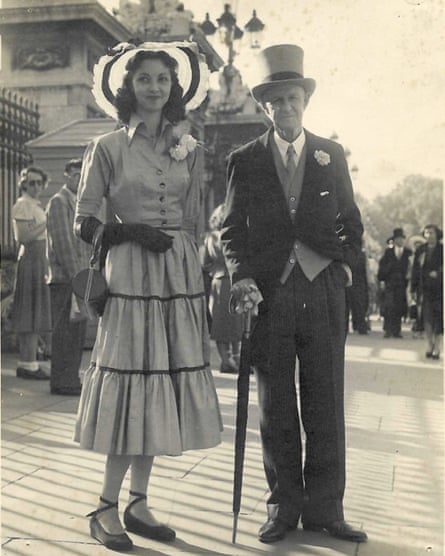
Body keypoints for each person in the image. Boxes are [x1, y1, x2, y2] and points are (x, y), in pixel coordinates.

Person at [73, 41, 222, 551]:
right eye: (144, 79)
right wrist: (131, 232)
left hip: (177, 277)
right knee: (134, 380)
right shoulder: (108, 147)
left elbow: (199, 221)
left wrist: (201, 282)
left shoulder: (191, 148)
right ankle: (105, 506)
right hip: (131, 276)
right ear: (127, 88)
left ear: (174, 87)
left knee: (162, 381)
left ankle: (137, 501)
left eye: (162, 78)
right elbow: (84, 222)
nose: (154, 87)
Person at [222, 44, 367, 544]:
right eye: (276, 101)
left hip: (323, 290)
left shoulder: (331, 154)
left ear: (305, 102)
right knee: (275, 402)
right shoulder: (246, 159)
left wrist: (344, 267)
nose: (286, 109)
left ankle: (326, 509)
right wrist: (241, 276)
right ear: (264, 106)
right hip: (270, 295)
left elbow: (352, 223)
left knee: (325, 399)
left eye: (293, 99)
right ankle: (283, 507)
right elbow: (230, 230)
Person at [46, 159, 91, 395]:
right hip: (66, 279)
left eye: (82, 175)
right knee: (64, 332)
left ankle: (71, 377)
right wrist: (78, 278)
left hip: (78, 277)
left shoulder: (79, 203)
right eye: (75, 175)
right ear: (65, 176)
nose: (79, 179)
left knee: (76, 332)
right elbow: (63, 245)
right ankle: (62, 380)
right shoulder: (59, 202)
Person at [11, 166, 51, 380]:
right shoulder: (22, 205)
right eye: (31, 183)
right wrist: (47, 223)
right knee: (29, 311)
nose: (35, 187)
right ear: (24, 184)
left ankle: (31, 362)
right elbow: (23, 237)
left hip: (39, 259)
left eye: (39, 182)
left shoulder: (35, 205)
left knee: (35, 310)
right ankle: (27, 364)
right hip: (30, 258)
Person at [201, 203, 243, 373]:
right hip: (235, 280)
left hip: (218, 282)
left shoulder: (210, 238)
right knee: (236, 322)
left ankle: (226, 361)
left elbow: (205, 263)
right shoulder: (235, 234)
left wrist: (215, 271)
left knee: (221, 325)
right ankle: (236, 359)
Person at [410, 225, 443, 359]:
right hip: (424, 289)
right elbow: (415, 270)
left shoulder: (442, 249)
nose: (429, 235)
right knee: (426, 319)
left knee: (439, 319)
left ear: (437, 234)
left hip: (440, 289)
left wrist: (440, 274)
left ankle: (437, 347)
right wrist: (413, 288)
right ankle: (430, 345)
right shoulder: (420, 250)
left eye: (432, 232)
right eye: (426, 233)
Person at [377, 228, 412, 338]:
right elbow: (381, 267)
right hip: (390, 283)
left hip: (402, 284)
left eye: (402, 239)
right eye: (398, 239)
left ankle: (397, 330)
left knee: (399, 306)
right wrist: (382, 279)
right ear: (395, 240)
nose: (400, 241)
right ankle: (387, 329)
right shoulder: (388, 252)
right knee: (389, 306)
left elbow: (411, 268)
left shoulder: (408, 252)